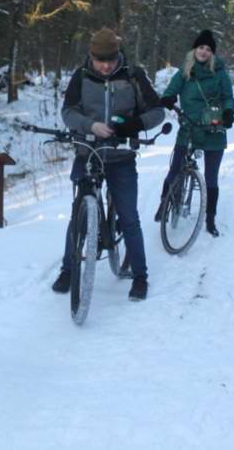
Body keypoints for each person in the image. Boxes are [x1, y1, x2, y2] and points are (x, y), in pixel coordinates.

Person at [51, 28, 165, 301]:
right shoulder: (81, 76)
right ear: (92, 56)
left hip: (121, 157)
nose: (105, 65)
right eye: (100, 60)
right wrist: (89, 125)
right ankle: (68, 269)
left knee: (129, 218)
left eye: (110, 60)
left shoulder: (134, 76)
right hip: (87, 153)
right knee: (78, 211)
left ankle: (140, 276)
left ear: (118, 56)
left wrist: (135, 124)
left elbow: (157, 111)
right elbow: (68, 112)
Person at [155, 30, 234, 237]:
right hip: (189, 126)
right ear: (195, 49)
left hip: (213, 127)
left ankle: (210, 219)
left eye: (208, 49)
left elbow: (228, 96)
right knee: (174, 169)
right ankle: (164, 205)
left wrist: (229, 112)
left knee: (211, 178)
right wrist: (168, 99)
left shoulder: (220, 72)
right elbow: (172, 89)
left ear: (212, 53)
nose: (204, 51)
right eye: (201, 47)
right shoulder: (185, 71)